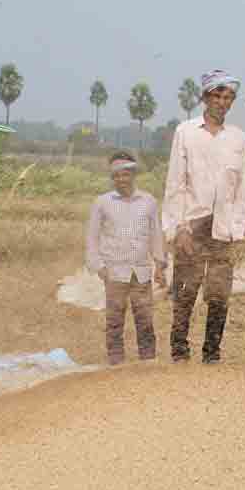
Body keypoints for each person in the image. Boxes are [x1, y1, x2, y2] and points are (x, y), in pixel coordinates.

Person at [162, 69, 245, 364]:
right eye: (217, 96)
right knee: (186, 292)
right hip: (192, 225)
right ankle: (179, 352)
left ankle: (212, 354)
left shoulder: (238, 138)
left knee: (219, 294)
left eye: (228, 98)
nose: (222, 102)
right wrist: (178, 227)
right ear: (205, 97)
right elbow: (176, 183)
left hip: (223, 227)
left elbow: (240, 189)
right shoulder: (186, 132)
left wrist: (238, 233)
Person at [86, 152, 167, 366]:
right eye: (116, 176)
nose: (121, 180)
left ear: (133, 175)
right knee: (114, 319)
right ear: (112, 178)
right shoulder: (102, 202)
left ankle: (148, 361)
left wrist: (159, 265)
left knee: (145, 319)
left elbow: (156, 235)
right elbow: (92, 238)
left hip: (141, 272)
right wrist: (98, 267)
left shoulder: (148, 201)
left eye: (125, 175)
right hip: (114, 272)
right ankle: (116, 363)